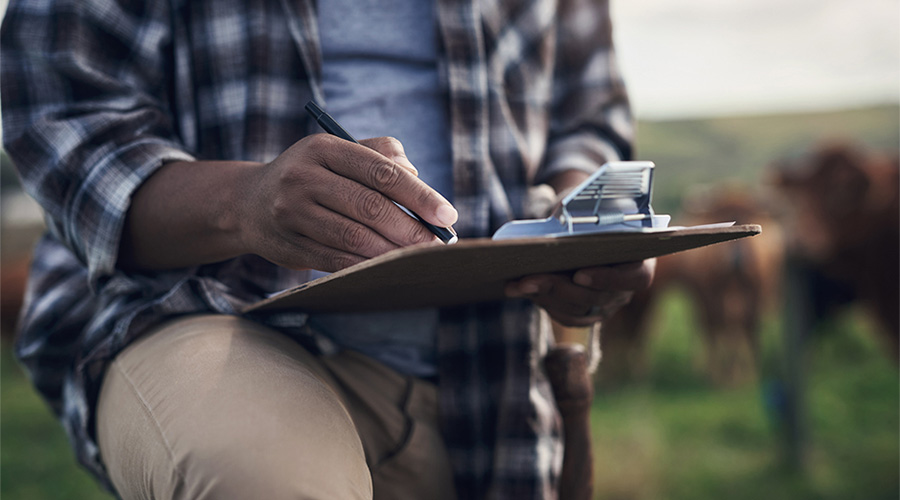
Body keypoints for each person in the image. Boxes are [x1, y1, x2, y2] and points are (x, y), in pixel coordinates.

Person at [1, 0, 653, 498]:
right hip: (208, 316)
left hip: (497, 363)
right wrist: (241, 200)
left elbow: (588, 115)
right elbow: (60, 111)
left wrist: (586, 226)